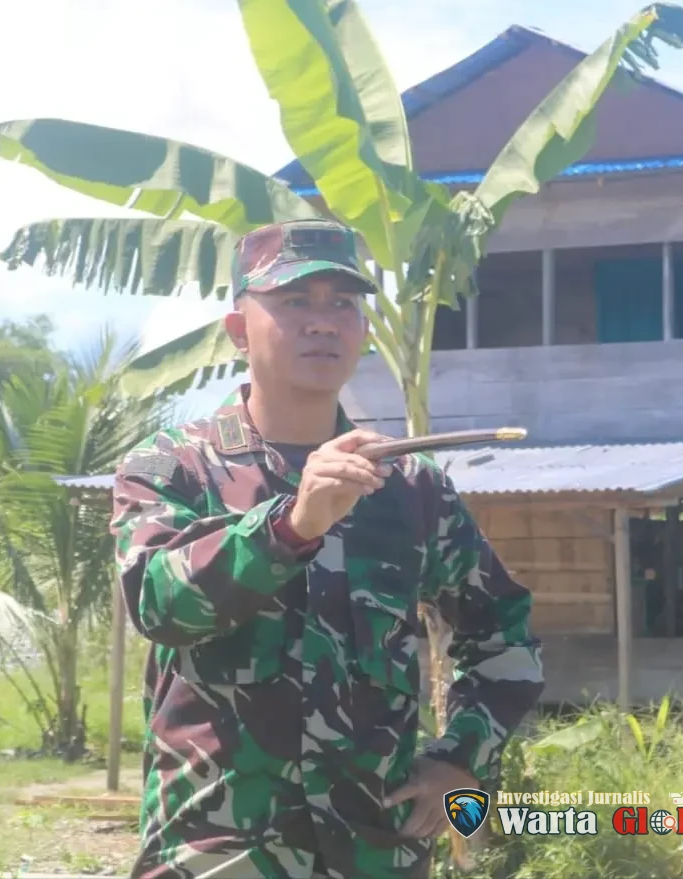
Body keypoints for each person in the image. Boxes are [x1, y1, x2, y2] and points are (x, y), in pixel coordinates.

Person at [110, 219, 544, 879]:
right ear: (237, 331)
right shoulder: (175, 468)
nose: (323, 323)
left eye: (343, 304)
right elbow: (160, 604)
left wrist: (461, 758)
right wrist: (290, 525)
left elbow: (504, 636)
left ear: (363, 330)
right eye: (293, 303)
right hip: (219, 853)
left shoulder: (411, 490)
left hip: (373, 851)